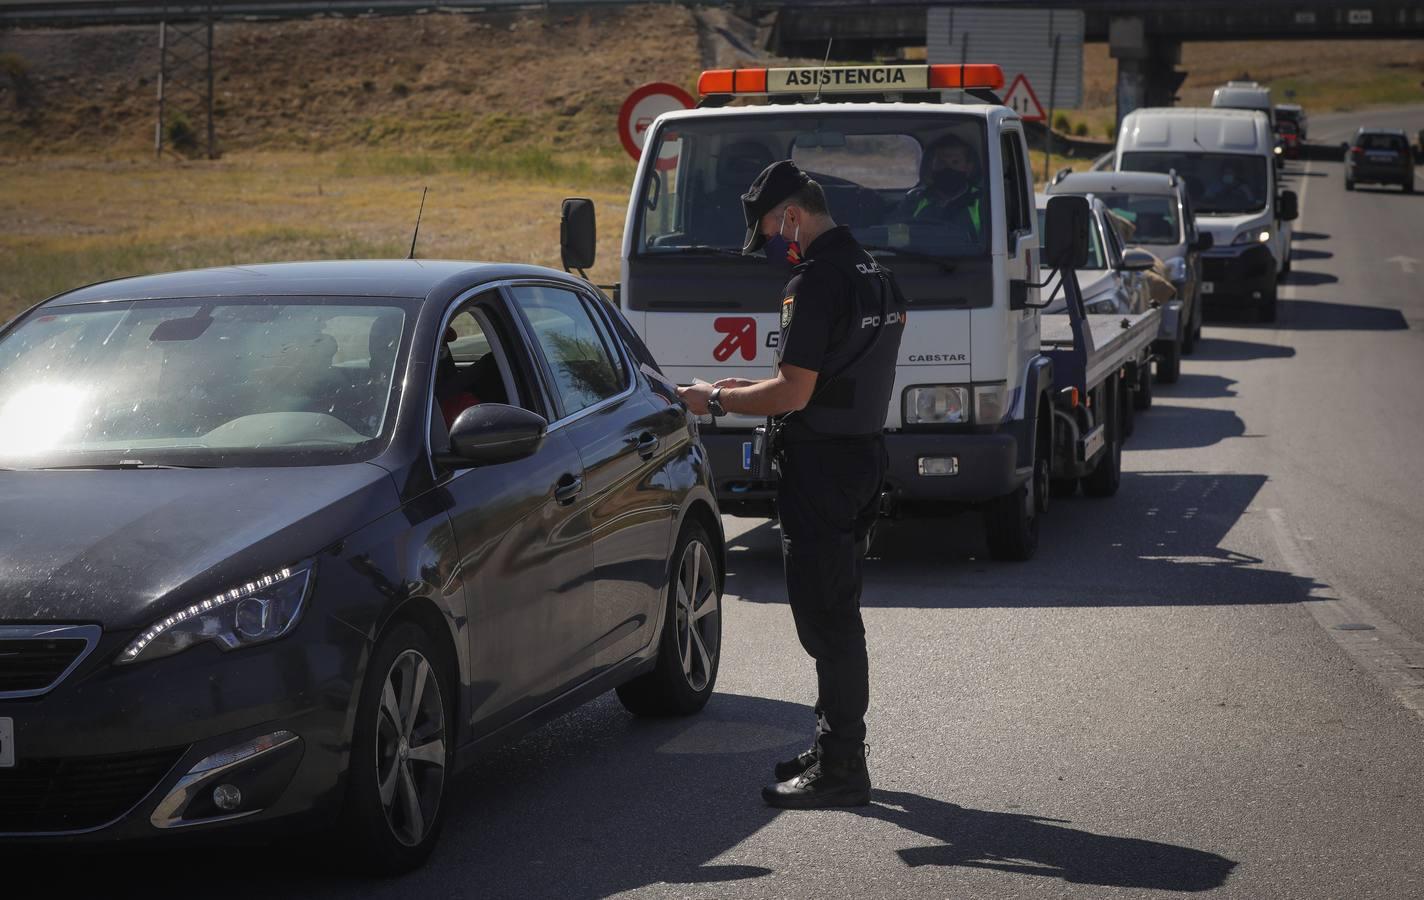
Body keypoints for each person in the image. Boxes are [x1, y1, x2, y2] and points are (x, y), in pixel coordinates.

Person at [678, 160, 907, 809]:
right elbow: (851, 375)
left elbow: (793, 390)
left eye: (776, 233)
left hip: (823, 468)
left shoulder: (817, 282)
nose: (778, 246)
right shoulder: (878, 275)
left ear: (792, 217)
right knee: (838, 611)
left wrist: (712, 399)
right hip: (863, 457)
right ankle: (833, 745)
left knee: (827, 622)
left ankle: (843, 768)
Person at [895, 133, 984, 239]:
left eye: (955, 162)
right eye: (940, 162)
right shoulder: (914, 199)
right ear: (931, 166)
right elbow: (895, 238)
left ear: (968, 167)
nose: (947, 168)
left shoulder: (982, 201)